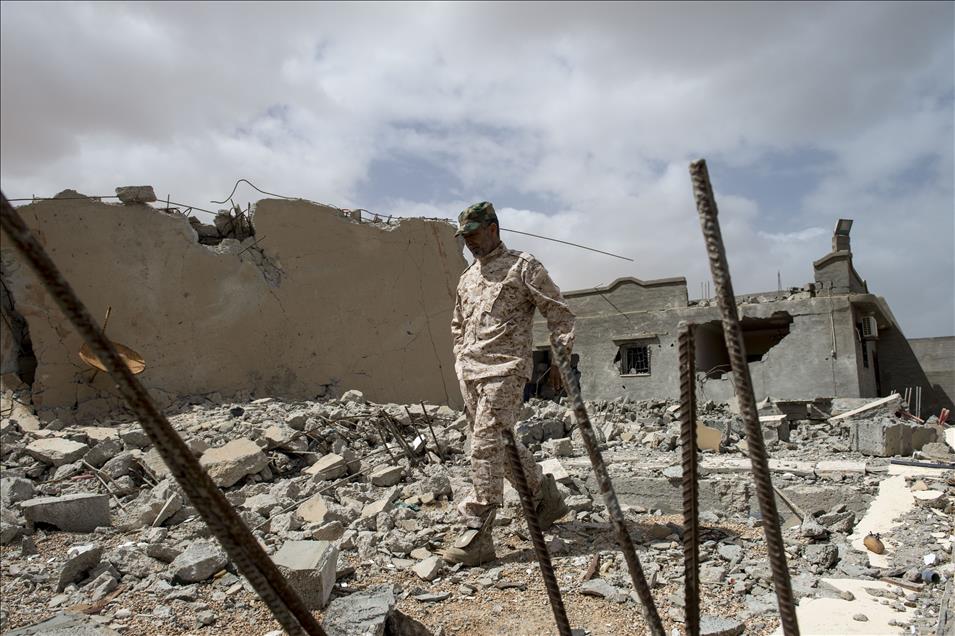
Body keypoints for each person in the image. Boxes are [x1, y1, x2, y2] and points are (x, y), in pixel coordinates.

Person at [444, 201, 575, 566]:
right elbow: (458, 324)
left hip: (507, 369)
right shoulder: (467, 278)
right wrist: (460, 357)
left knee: (484, 443)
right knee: (502, 442)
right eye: (464, 237)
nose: (469, 242)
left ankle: (478, 532)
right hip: (470, 373)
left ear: (493, 228)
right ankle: (542, 495)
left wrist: (561, 357)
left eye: (473, 234)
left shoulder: (523, 266)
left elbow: (558, 312)